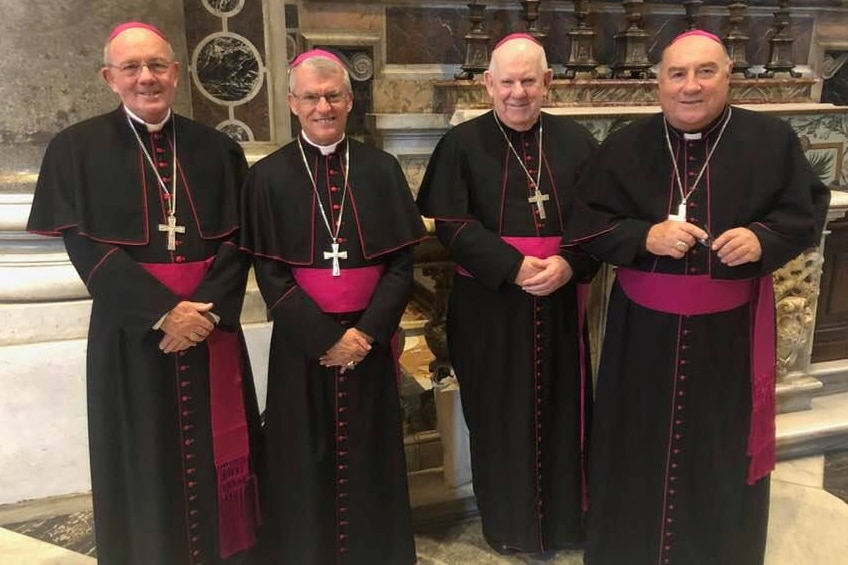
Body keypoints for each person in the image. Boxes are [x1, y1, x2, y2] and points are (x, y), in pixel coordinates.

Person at [566, 30, 831, 565]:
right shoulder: (624, 145)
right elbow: (586, 224)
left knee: (719, 453)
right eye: (678, 74)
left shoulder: (771, 141)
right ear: (658, 82)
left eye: (705, 71)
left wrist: (763, 238)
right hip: (641, 338)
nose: (691, 86)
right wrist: (643, 236)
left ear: (728, 76)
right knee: (635, 446)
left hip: (726, 341)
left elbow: (804, 213)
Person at [26, 22, 262, 565]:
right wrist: (163, 314)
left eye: (157, 65)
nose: (146, 78)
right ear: (109, 78)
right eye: (131, 68)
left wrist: (201, 314)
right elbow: (85, 248)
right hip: (131, 333)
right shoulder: (74, 149)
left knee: (218, 449)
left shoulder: (218, 149)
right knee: (140, 453)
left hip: (209, 325)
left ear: (177, 74)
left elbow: (240, 240)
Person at [239, 49, 426, 565]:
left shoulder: (381, 169)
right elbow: (269, 272)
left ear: (349, 99)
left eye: (333, 95)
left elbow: (401, 265)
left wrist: (364, 336)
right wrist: (326, 339)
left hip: (368, 341)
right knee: (300, 455)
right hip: (304, 346)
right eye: (311, 97)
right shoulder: (268, 177)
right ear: (293, 103)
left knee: (372, 455)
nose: (323, 106)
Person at [416, 34, 598, 556]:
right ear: (488, 85)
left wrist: (570, 264)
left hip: (561, 299)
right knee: (497, 415)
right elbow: (449, 221)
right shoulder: (461, 144)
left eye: (529, 81)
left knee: (564, 410)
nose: (518, 93)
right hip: (489, 305)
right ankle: (509, 527)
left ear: (548, 84)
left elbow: (600, 221)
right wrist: (513, 266)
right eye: (507, 82)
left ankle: (566, 524)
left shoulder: (578, 142)